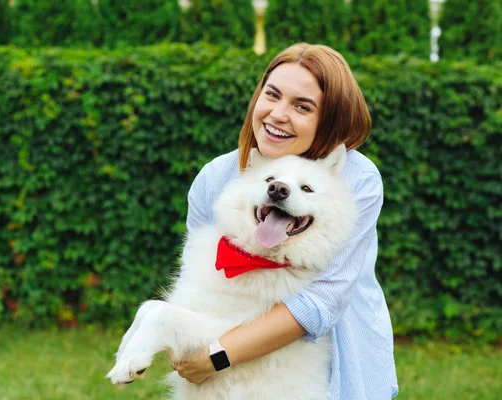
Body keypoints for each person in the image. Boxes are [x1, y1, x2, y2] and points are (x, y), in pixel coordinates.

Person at [171, 43, 399, 399]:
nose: (278, 114)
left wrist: (215, 356)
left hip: (337, 365)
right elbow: (194, 282)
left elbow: (320, 301)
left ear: (330, 120)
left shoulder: (355, 179)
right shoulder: (215, 178)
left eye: (302, 107)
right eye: (271, 95)